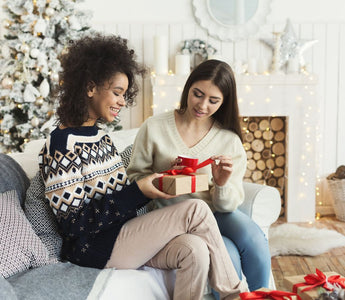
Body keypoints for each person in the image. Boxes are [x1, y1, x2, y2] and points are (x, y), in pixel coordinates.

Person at [38, 34, 247, 300]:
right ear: (90, 88)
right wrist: (139, 191)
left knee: (194, 249)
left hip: (125, 236)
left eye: (124, 94)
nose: (123, 102)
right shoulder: (61, 145)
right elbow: (73, 226)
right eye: (117, 93)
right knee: (196, 208)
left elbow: (119, 197)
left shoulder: (101, 138)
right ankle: (236, 295)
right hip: (94, 249)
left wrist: (163, 178)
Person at [126, 59, 271, 294]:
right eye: (198, 94)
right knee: (229, 253)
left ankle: (266, 295)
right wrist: (165, 175)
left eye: (213, 100)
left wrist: (221, 185)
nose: (202, 105)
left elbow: (227, 205)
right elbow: (134, 178)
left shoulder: (228, 140)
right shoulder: (154, 127)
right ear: (188, 88)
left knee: (252, 236)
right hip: (173, 217)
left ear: (224, 102)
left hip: (215, 213)